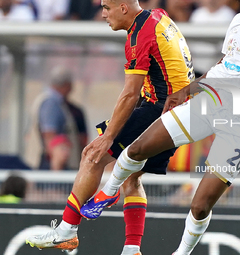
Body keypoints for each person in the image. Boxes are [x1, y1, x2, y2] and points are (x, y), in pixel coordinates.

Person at [78, 0, 240, 254]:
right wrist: (187, 90)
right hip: (209, 101)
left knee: (201, 205)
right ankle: (109, 192)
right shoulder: (238, 20)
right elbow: (223, 65)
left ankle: (182, 252)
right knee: (136, 149)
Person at [26, 1, 194, 254]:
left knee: (92, 156)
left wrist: (109, 137)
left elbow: (129, 94)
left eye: (106, 7)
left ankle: (66, 231)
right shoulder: (158, 16)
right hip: (179, 113)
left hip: (161, 109)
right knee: (132, 175)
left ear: (123, 7)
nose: (102, 14)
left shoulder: (139, 36)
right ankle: (132, 249)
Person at [24, 66, 88, 171]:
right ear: (66, 85)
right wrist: (56, 166)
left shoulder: (56, 102)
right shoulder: (51, 103)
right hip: (50, 165)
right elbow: (50, 134)